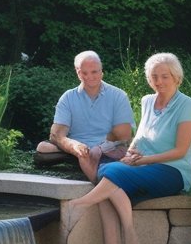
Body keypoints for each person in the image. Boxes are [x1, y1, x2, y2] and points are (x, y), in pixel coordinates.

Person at [64, 52, 191, 244]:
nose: (159, 82)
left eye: (165, 76)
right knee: (109, 182)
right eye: (154, 76)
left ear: (176, 77)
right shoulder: (147, 101)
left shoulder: (187, 105)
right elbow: (140, 137)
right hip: (142, 167)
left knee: (111, 171)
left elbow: (180, 151)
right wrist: (130, 153)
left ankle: (81, 205)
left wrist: (140, 161)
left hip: (173, 171)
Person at [34, 50, 135, 182]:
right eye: (84, 72)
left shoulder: (119, 96)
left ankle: (95, 171)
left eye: (94, 72)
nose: (89, 77)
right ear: (78, 72)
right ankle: (85, 162)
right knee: (43, 148)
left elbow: (125, 134)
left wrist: (100, 148)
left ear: (101, 71)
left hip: (107, 148)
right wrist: (74, 146)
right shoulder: (68, 97)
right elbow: (56, 134)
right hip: (78, 149)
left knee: (122, 154)